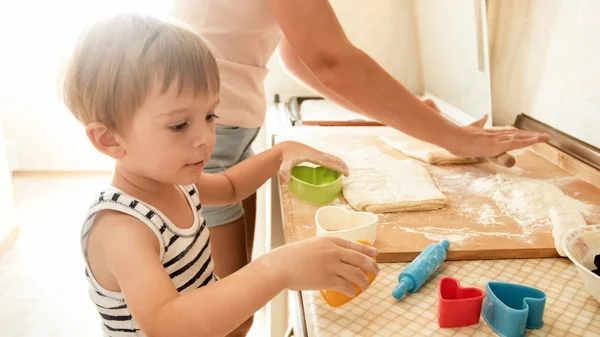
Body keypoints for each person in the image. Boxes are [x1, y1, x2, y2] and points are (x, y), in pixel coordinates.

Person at [169, 2, 550, 334]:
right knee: (223, 321)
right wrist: (454, 137)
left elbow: (302, 56)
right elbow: (329, 60)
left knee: (235, 317)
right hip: (196, 141)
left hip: (217, 135)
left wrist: (412, 117)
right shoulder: (127, 213)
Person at [62, 13, 379, 337]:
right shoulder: (122, 228)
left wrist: (280, 154)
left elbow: (229, 187)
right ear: (110, 139)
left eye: (210, 115)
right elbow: (167, 325)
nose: (205, 138)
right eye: (179, 124)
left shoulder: (176, 183)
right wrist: (276, 268)